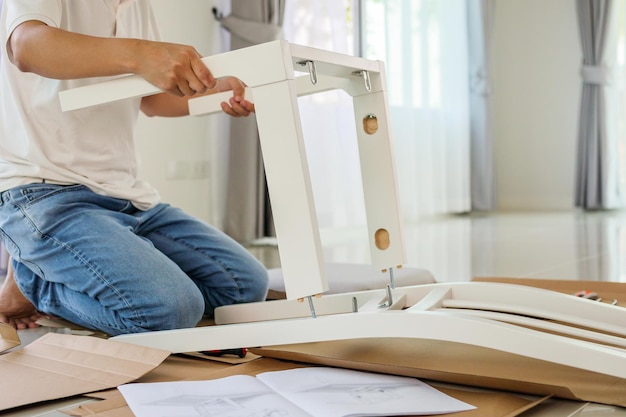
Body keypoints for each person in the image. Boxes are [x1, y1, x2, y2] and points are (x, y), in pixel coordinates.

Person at [0, 1, 269, 335]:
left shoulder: (136, 5)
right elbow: (26, 46)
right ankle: (35, 283)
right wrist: (141, 53)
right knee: (171, 310)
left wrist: (216, 91)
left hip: (127, 195)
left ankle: (49, 268)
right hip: (44, 192)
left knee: (244, 287)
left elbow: (153, 99)